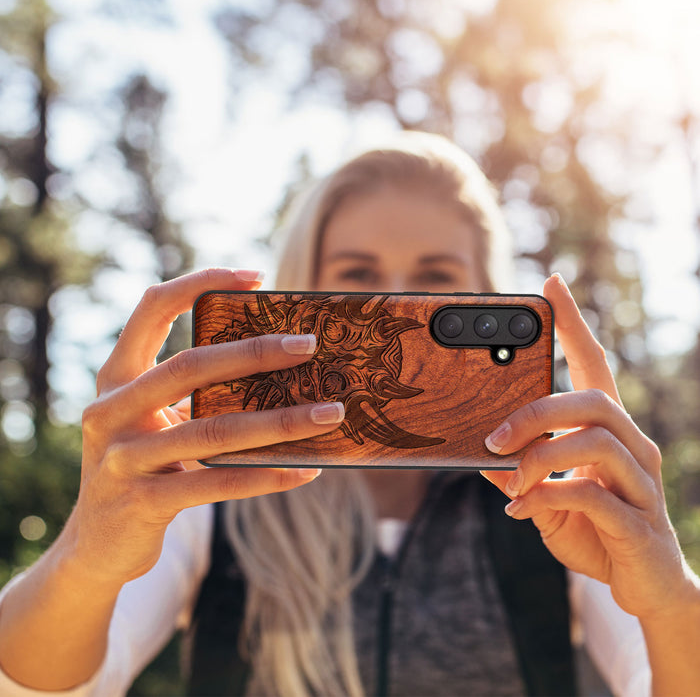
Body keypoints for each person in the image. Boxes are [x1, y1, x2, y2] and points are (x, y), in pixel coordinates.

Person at [0, 132, 699, 697]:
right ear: (302, 287)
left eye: (435, 279)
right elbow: (47, 684)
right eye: (358, 276)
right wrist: (87, 555)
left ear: (488, 296)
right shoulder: (211, 494)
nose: (395, 307)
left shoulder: (554, 500)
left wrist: (670, 599)